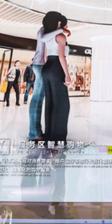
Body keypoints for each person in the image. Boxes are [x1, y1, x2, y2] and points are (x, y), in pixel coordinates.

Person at [41, 12, 71, 145]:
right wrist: (67, 75)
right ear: (59, 23)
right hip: (56, 67)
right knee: (62, 104)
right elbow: (61, 57)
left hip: (47, 67)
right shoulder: (60, 36)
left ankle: (49, 135)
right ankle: (58, 138)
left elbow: (45, 57)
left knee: (50, 103)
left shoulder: (47, 37)